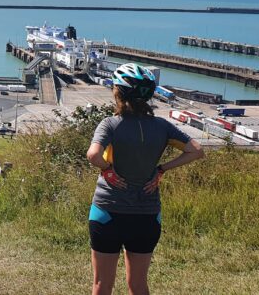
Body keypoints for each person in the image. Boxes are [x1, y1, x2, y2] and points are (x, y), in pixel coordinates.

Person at [86, 63, 204, 295]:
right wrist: (162, 169)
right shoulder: (162, 126)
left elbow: (93, 155)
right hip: (146, 214)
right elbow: (197, 150)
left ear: (118, 92)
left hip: (107, 210)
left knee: (101, 284)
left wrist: (107, 170)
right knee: (138, 284)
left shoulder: (110, 124)